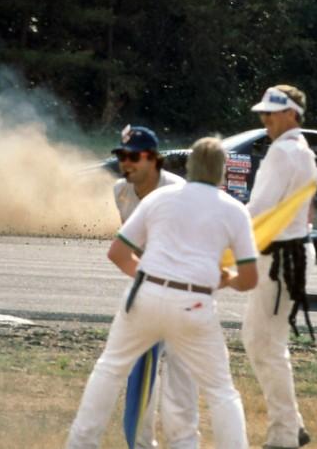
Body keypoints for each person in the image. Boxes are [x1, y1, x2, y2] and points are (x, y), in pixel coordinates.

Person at [66, 137, 259, 449]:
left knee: (110, 369)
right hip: (194, 302)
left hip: (146, 295)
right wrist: (225, 279)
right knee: (220, 391)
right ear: (223, 172)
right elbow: (250, 279)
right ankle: (186, 443)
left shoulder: (160, 197)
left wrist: (147, 277)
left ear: (189, 166)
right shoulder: (235, 210)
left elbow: (117, 252)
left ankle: (80, 443)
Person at [109, 125, 200, 449]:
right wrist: (145, 278)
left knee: (181, 374)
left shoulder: (178, 189)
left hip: (183, 290)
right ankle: (141, 444)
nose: (126, 162)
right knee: (137, 370)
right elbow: (128, 248)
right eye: (121, 155)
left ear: (153, 158)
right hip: (148, 287)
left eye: (133, 155)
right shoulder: (121, 190)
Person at [242, 85, 317, 449]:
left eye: (271, 113)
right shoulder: (301, 150)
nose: (265, 119)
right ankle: (292, 425)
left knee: (264, 344)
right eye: (263, 113)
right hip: (291, 253)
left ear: (291, 114)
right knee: (264, 342)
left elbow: (259, 209)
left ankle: (285, 435)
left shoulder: (283, 152)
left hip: (279, 256)